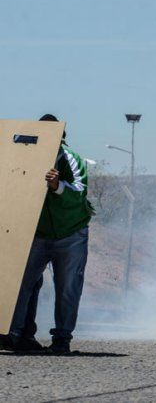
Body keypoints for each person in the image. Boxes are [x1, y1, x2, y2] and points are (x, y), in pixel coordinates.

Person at [6, 115, 93, 355]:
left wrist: (58, 186)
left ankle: (62, 339)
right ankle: (13, 334)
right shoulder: (24, 157)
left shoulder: (71, 159)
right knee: (19, 285)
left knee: (67, 288)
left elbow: (79, 192)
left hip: (71, 234)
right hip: (37, 234)